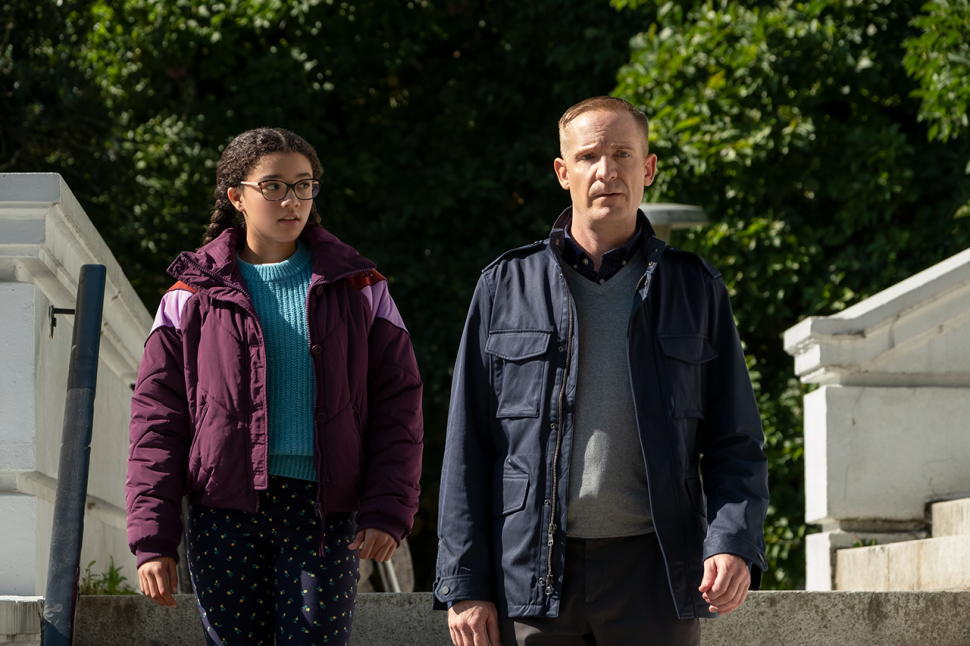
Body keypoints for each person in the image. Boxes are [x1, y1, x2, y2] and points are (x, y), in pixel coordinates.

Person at [434, 97, 769, 646]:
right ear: (563, 172)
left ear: (648, 168)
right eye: (588, 156)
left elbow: (735, 441)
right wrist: (464, 583)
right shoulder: (503, 286)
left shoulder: (695, 288)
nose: (606, 171)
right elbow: (467, 445)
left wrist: (733, 541)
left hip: (656, 574)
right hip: (532, 573)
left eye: (622, 154)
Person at [126, 127, 423, 646]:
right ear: (236, 196)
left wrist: (387, 509)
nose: (292, 200)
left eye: (304, 185)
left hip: (324, 514)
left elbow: (398, 405)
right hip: (223, 514)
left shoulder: (361, 287)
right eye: (274, 186)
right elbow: (157, 420)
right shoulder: (190, 294)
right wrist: (153, 538)